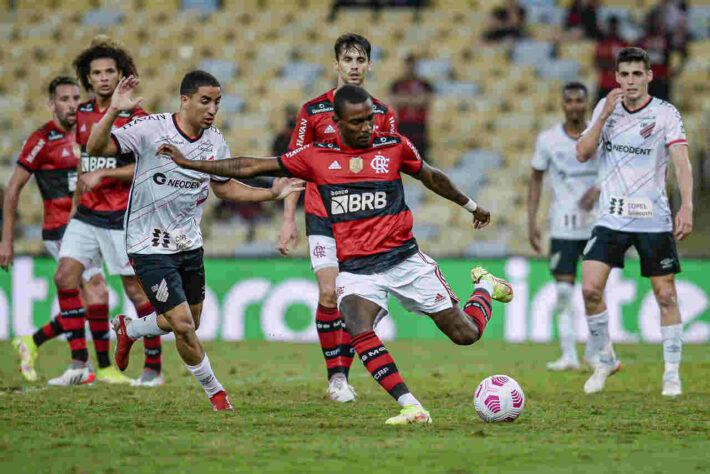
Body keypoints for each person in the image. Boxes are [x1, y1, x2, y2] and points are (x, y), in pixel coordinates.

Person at [160, 84, 514, 424]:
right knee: (357, 324)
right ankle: (411, 406)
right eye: (358, 122)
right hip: (358, 270)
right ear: (337, 123)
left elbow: (432, 177)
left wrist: (472, 206)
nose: (367, 127)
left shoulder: (393, 146)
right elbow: (252, 166)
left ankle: (484, 285)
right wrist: (192, 164)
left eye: (371, 119)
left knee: (465, 334)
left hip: (404, 261)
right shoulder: (316, 157)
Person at [91, 71, 303, 411]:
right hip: (147, 244)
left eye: (217, 102)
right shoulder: (150, 129)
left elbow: (224, 187)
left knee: (190, 320)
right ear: (185, 100)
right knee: (184, 326)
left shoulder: (214, 140)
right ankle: (217, 394)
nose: (212, 109)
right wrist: (114, 109)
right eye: (205, 101)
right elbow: (95, 146)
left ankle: (129, 329)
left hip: (188, 244)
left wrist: (271, 195)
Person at [280, 33, 397, 403]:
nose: (354, 67)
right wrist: (287, 221)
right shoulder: (313, 111)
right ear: (336, 65)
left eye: (361, 60)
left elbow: (391, 171)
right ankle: (336, 380)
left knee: (354, 303)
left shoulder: (383, 115)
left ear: (369, 66)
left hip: (364, 225)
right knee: (329, 293)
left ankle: (342, 376)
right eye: (348, 60)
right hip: (323, 218)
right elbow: (294, 169)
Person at [576, 47, 693, 396]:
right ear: (616, 77)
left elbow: (682, 162)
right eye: (624, 75)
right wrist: (602, 116)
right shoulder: (605, 108)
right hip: (611, 216)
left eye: (637, 75)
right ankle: (606, 359)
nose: (630, 82)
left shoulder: (665, 114)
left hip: (652, 218)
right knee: (590, 289)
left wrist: (686, 206)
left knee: (666, 294)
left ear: (649, 76)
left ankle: (671, 372)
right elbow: (582, 152)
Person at [49, 36, 161, 386]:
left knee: (137, 293)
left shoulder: (137, 116)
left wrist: (107, 173)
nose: (103, 78)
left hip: (122, 217)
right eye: (96, 72)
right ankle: (80, 364)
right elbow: (87, 161)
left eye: (109, 71)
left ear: (120, 74)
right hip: (87, 215)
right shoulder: (82, 112)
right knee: (65, 277)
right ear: (87, 77)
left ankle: (153, 368)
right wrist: (74, 209)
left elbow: (147, 168)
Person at [2, 77, 108, 383]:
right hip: (59, 231)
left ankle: (33, 342)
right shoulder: (41, 140)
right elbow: (12, 190)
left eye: (76, 97)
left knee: (94, 301)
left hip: (87, 227)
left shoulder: (90, 133)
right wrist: (6, 240)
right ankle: (83, 366)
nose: (72, 104)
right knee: (95, 292)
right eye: (64, 99)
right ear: (52, 105)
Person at [527, 82, 599, 371]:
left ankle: (594, 353)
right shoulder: (548, 139)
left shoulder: (599, 134)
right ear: (562, 104)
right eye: (568, 101)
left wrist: (600, 188)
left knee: (595, 292)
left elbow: (619, 167)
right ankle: (569, 354)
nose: (574, 106)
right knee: (565, 292)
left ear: (587, 103)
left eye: (579, 101)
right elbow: (535, 178)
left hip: (598, 225)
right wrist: (532, 220)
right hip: (563, 227)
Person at [389, 54, 433, 162]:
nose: (409, 68)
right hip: (403, 124)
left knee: (420, 159)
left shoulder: (423, 84)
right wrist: (414, 100)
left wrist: (405, 100)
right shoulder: (397, 84)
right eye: (407, 65)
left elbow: (424, 101)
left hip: (419, 125)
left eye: (411, 65)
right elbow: (394, 100)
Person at [594, 16, 628, 104]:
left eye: (614, 26)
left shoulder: (624, 44)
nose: (613, 29)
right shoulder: (603, 43)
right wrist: (614, 63)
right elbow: (597, 62)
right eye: (611, 26)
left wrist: (609, 62)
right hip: (604, 85)